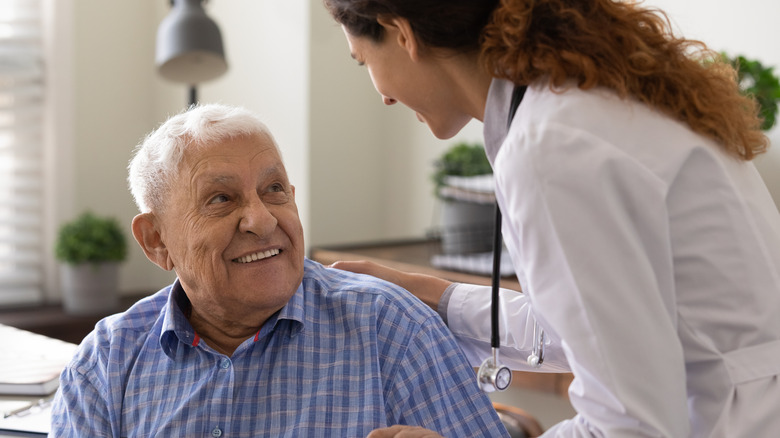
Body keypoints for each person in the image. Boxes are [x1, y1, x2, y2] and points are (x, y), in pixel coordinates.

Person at [322, 0, 780, 436]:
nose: (381, 96)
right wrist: (439, 298)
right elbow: (605, 329)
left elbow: (632, 426)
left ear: (402, 33)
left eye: (363, 62)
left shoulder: (548, 148)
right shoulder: (590, 101)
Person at [49, 104, 509, 437]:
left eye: (273, 190)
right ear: (156, 240)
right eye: (221, 199)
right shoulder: (105, 365)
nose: (263, 220)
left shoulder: (392, 331)